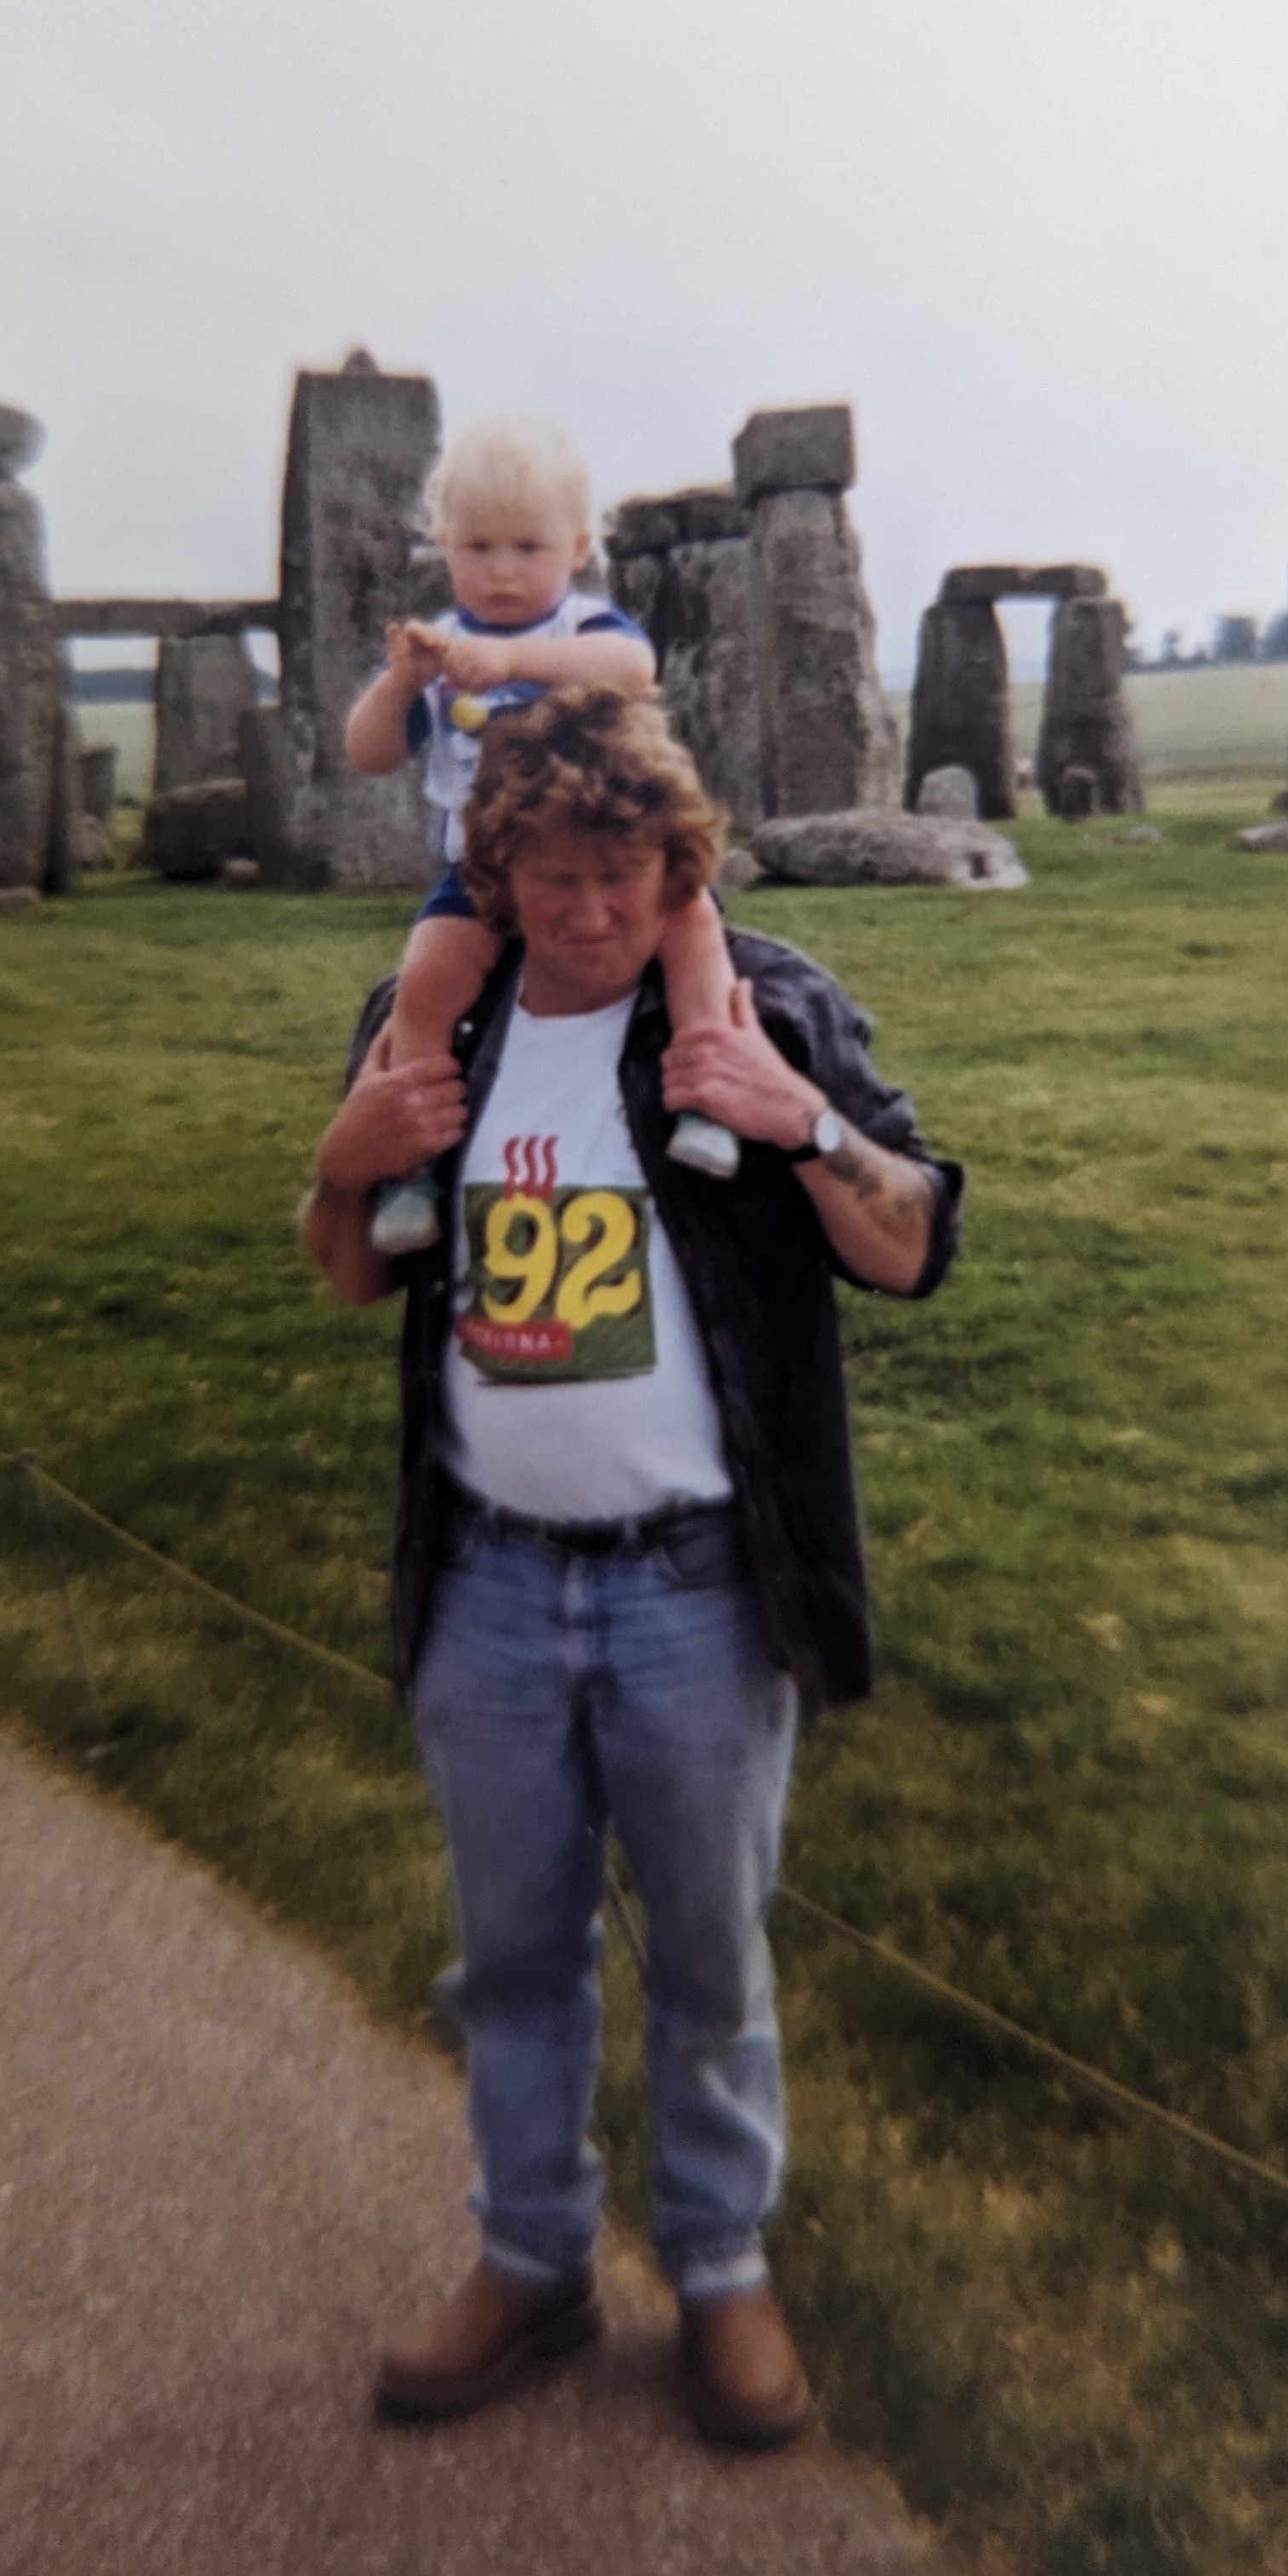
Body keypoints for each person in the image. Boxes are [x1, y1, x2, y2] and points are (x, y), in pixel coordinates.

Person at [301, 691, 962, 2449]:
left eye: (624, 872)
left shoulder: (766, 1006)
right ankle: (530, 2254)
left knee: (710, 1953)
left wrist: (802, 1121)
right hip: (491, 1583)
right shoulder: (435, 1019)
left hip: (698, 1585)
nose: (588, 909)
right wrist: (336, 1168)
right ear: (496, 871)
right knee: (511, 1953)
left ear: (682, 870)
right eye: (551, 872)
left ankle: (721, 2259)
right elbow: (360, 1273)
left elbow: (914, 1249)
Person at [342, 415, 740, 1254]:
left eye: (528, 547)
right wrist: (401, 684)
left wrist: (513, 663)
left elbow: (635, 670)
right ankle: (411, 1167)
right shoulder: (438, 649)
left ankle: (712, 1091)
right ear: (443, 545)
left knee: (695, 926)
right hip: (481, 873)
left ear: (577, 547)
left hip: (606, 856)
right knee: (426, 980)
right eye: (477, 546)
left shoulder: (579, 632)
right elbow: (369, 753)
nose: (501, 569)